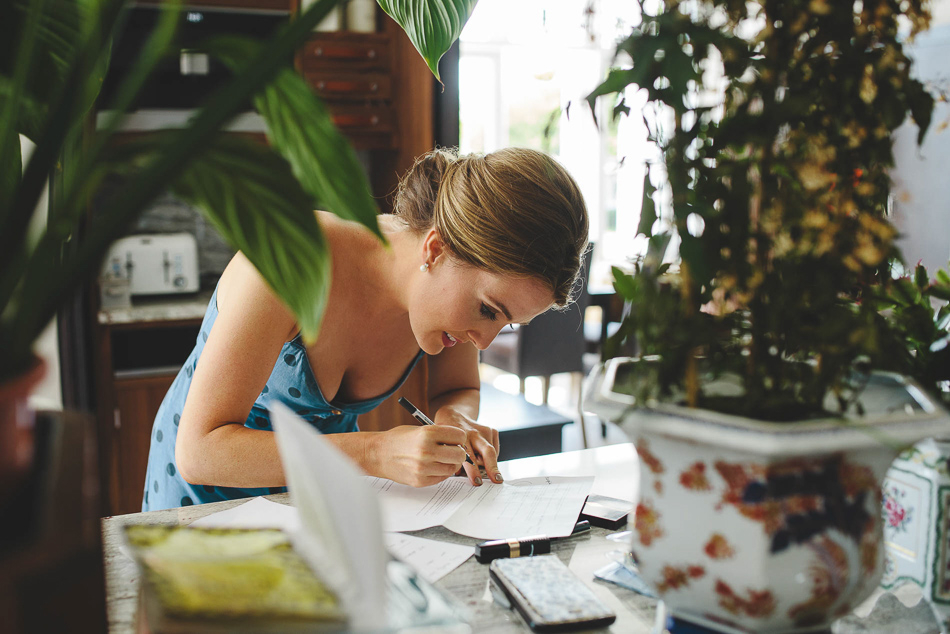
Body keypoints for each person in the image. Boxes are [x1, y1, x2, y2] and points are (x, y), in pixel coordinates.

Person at [142, 147, 589, 511]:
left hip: (313, 504)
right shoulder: (292, 257)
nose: (486, 342)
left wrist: (456, 422)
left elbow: (454, 389)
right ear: (436, 249)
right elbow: (201, 452)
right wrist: (374, 453)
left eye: (509, 323)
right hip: (200, 506)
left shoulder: (452, 305)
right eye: (491, 311)